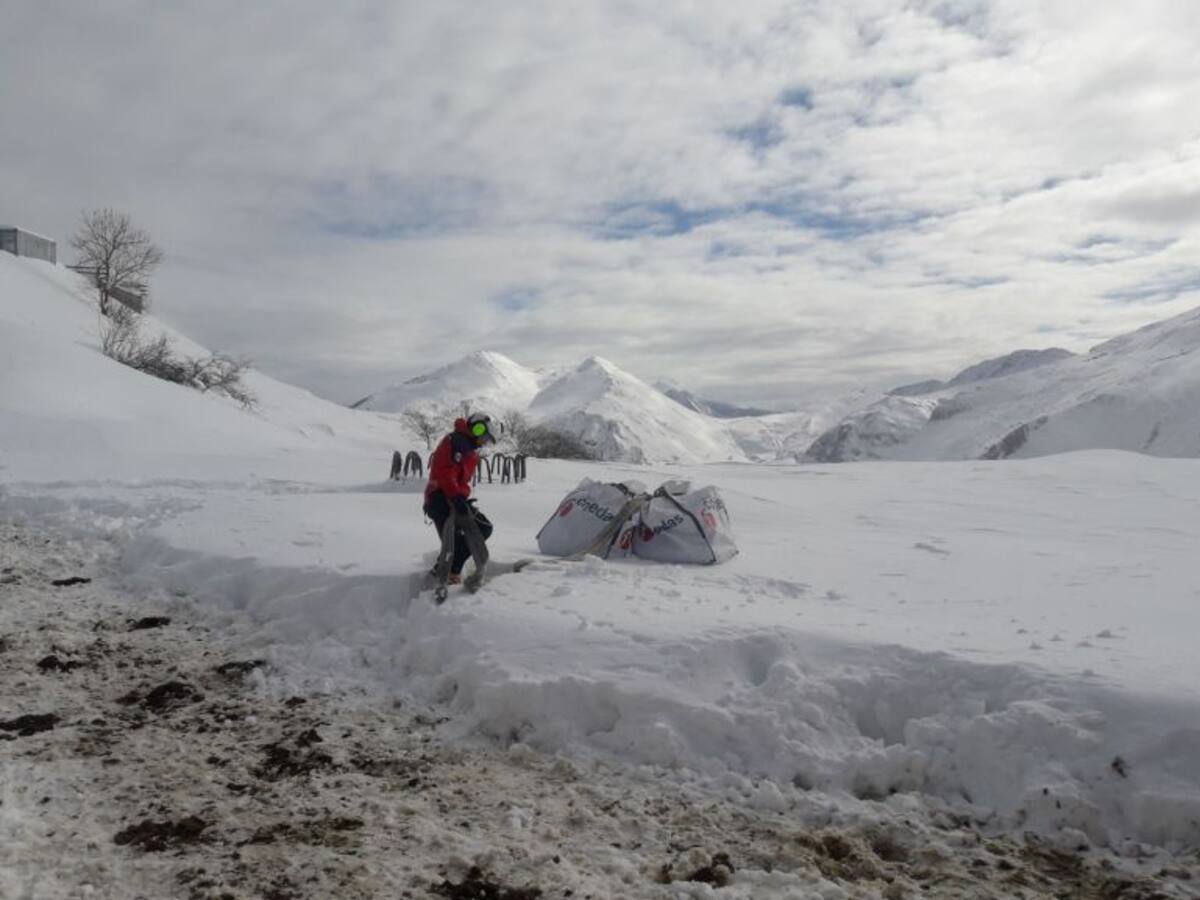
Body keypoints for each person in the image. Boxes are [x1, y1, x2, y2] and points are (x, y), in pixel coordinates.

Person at [423, 412, 495, 583]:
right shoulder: (455, 442)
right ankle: (445, 573)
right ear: (476, 429)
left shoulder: (468, 448)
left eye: (486, 439)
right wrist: (456, 497)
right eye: (482, 436)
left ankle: (448, 570)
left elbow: (460, 478)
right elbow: (445, 472)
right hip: (439, 498)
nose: (483, 441)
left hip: (454, 497)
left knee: (482, 528)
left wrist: (460, 497)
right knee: (453, 540)